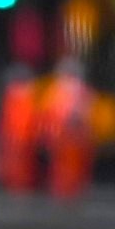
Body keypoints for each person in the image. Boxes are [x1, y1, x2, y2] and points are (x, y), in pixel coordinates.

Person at [39, 56, 95, 199]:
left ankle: (71, 191)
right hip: (63, 136)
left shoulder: (79, 91)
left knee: (73, 166)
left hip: (74, 136)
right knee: (63, 166)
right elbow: (48, 114)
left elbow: (87, 113)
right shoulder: (56, 90)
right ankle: (65, 191)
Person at [0, 63, 40, 193]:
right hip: (18, 137)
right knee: (17, 166)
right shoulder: (22, 95)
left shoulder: (19, 95)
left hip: (20, 137)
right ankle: (17, 187)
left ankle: (18, 187)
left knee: (20, 166)